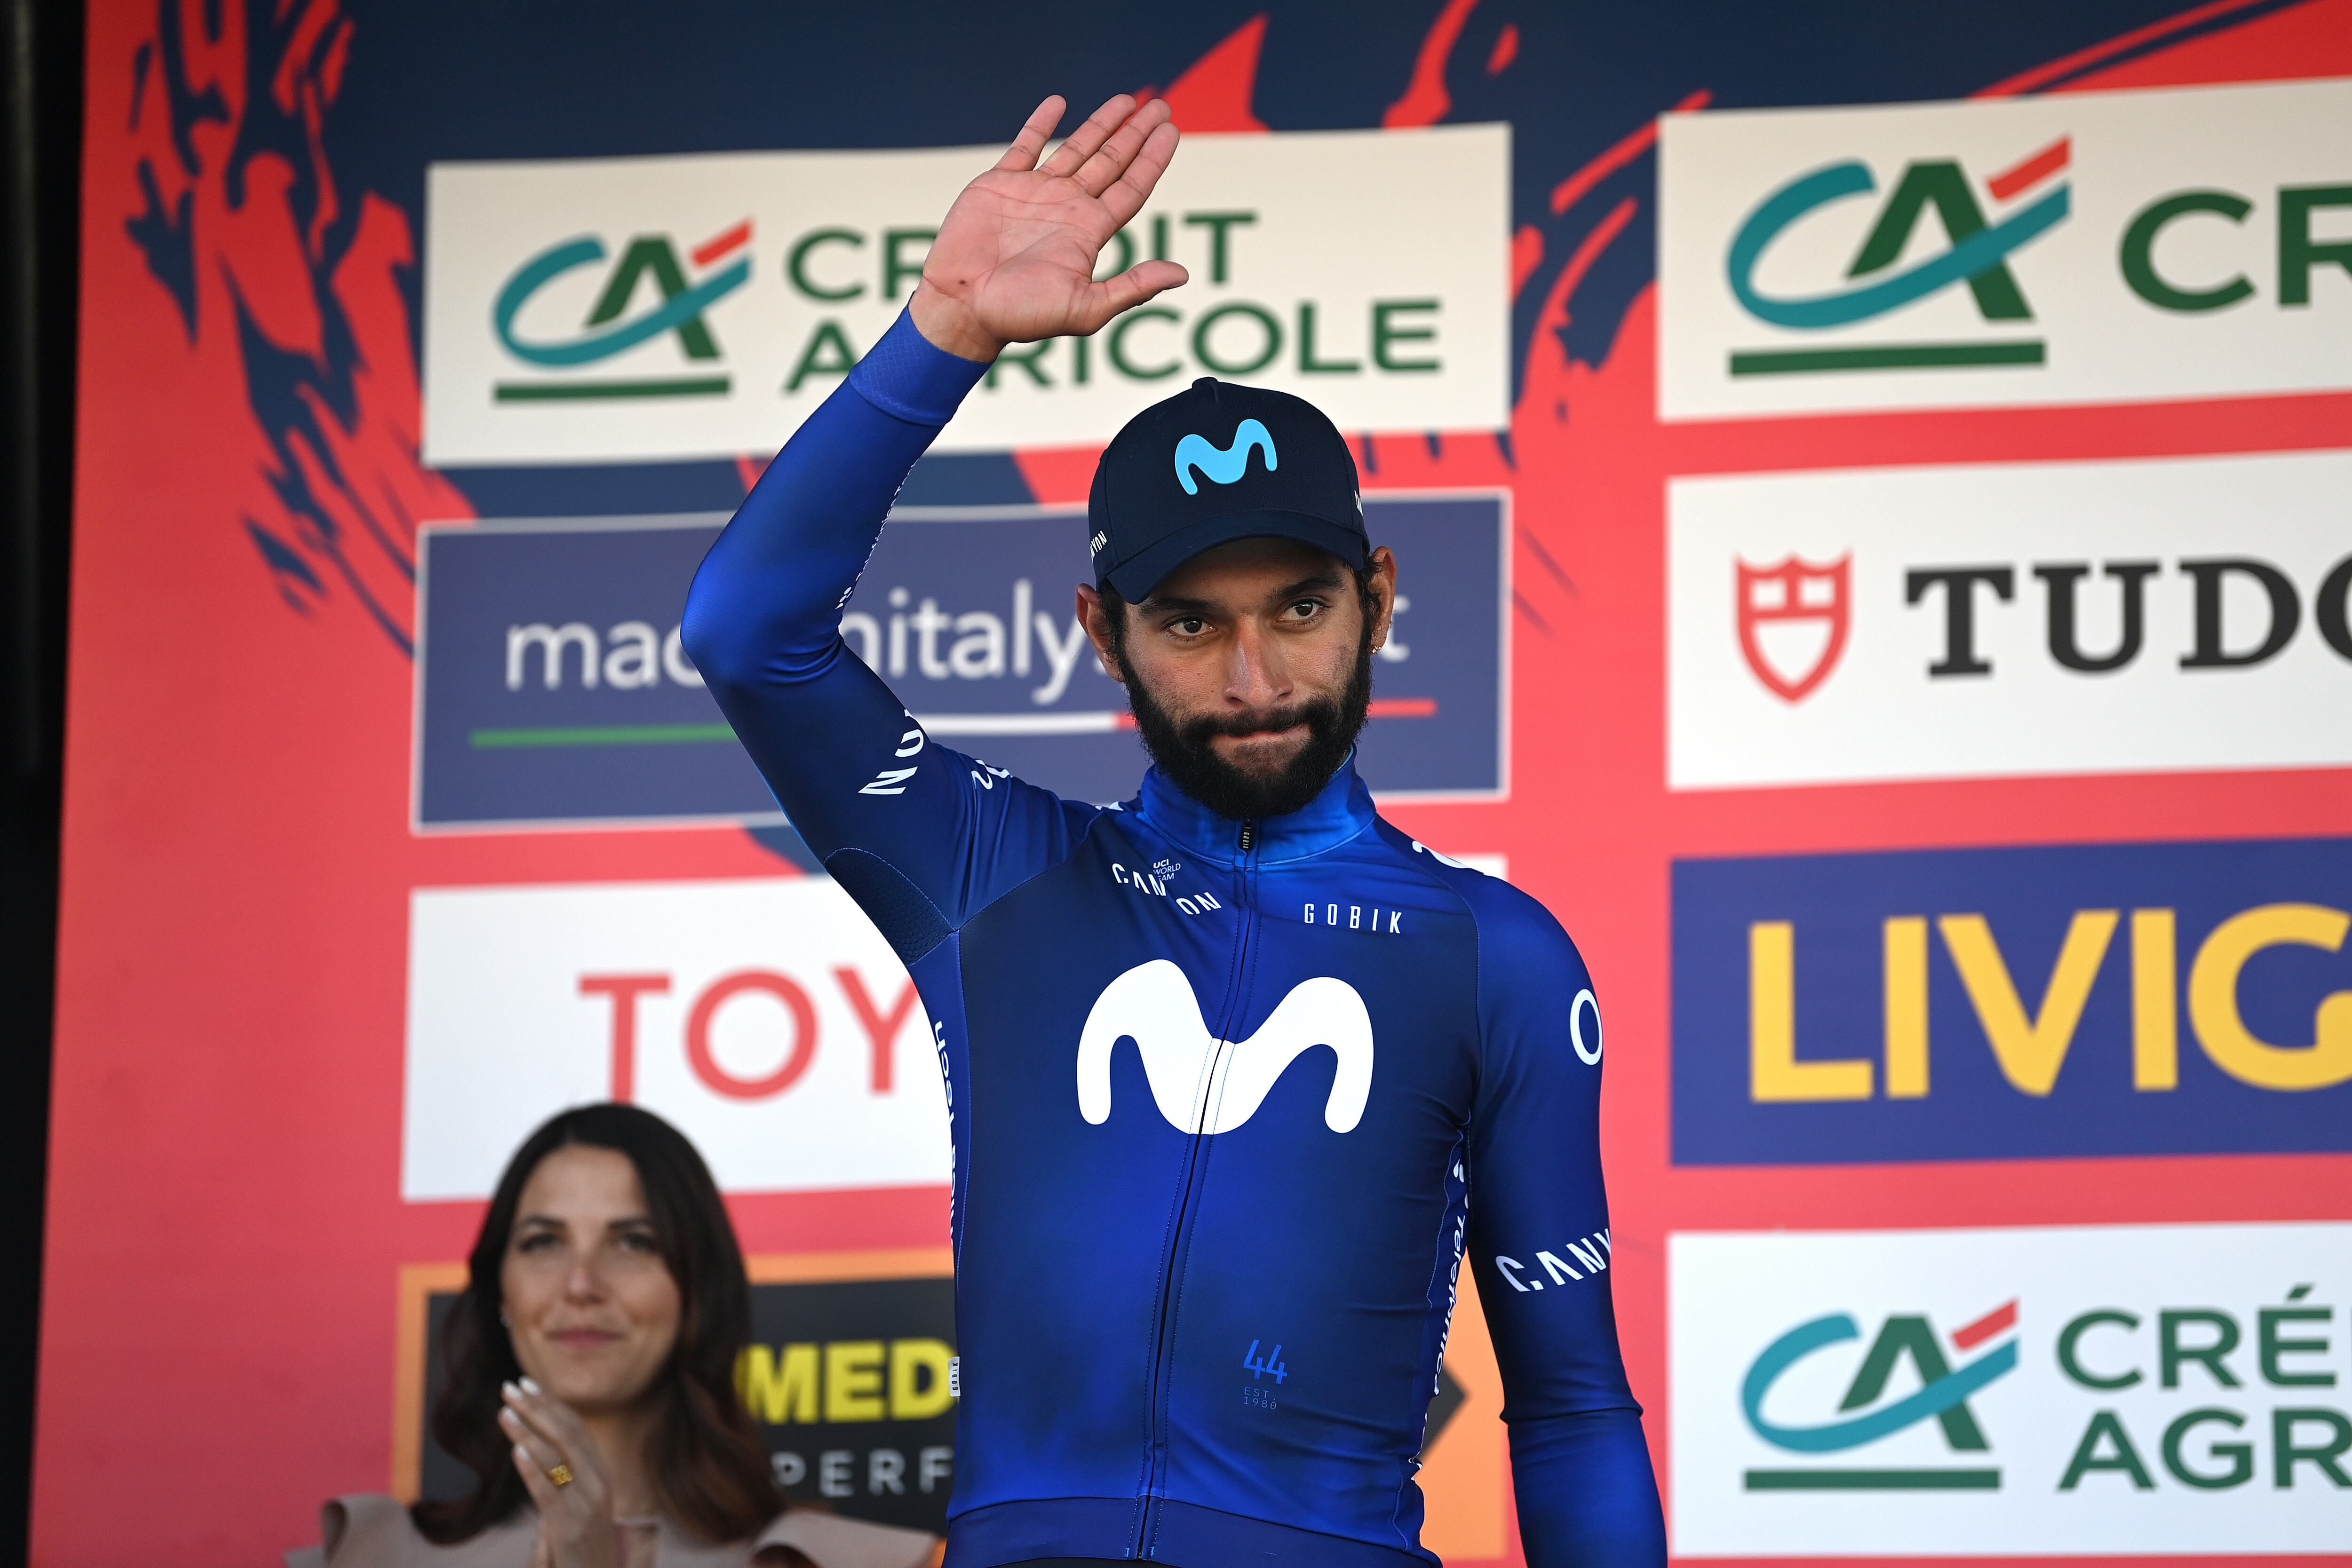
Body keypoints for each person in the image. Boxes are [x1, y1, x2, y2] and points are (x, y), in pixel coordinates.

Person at [680, 91, 1667, 1568]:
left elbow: (1574, 1409)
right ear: (1103, 627)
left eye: (1302, 609)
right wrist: (942, 330)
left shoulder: (1494, 955)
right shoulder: (995, 876)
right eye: (1192, 622)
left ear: (1380, 596)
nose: (1256, 679)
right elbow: (750, 634)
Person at [288, 1104, 936, 1568]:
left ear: (695, 1288)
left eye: (632, 1241)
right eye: (543, 1242)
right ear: (500, 1293)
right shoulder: (372, 1554)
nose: (580, 1283)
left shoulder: (860, 1561)